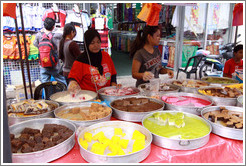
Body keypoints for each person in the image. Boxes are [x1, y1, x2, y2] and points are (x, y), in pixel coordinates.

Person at [34, 17, 67, 86]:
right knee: (62, 81)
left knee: (45, 85)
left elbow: (36, 44)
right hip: (55, 65)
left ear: (44, 25)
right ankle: (65, 95)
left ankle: (47, 96)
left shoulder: (39, 35)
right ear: (53, 26)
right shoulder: (57, 36)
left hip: (43, 64)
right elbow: (59, 48)